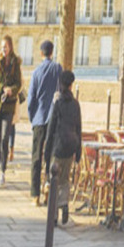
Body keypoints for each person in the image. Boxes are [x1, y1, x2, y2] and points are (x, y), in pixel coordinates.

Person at [26, 40, 62, 206]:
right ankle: (48, 184)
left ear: (41, 53)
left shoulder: (36, 72)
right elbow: (61, 91)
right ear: (52, 52)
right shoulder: (57, 69)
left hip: (39, 118)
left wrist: (32, 117)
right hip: (53, 118)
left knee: (36, 156)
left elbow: (31, 98)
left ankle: (35, 194)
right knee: (50, 156)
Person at [44, 70, 82, 225]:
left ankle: (53, 215)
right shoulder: (75, 104)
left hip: (58, 147)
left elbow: (51, 128)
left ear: (61, 84)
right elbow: (79, 127)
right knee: (65, 180)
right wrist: (78, 151)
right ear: (71, 85)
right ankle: (64, 203)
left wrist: (46, 152)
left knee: (54, 180)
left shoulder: (58, 104)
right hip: (70, 146)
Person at [0, 35, 22, 186]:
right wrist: (2, 88)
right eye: (2, 47)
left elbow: (18, 83)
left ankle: (2, 171)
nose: (4, 49)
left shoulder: (16, 63)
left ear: (10, 47)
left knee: (4, 139)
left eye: (6, 47)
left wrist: (11, 90)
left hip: (8, 106)